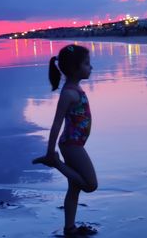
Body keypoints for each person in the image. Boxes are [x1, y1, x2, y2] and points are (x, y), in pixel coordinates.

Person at [32, 44, 98, 236]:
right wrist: (50, 152)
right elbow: (56, 124)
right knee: (90, 185)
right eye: (86, 64)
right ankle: (56, 163)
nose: (90, 67)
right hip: (71, 145)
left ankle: (69, 228)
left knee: (75, 188)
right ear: (74, 68)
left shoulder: (75, 89)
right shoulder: (69, 93)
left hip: (74, 144)